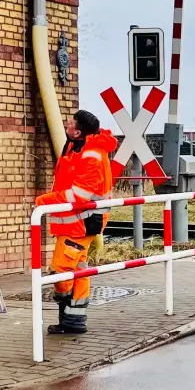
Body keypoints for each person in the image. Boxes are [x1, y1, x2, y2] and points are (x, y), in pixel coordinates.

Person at [35, 110, 118, 334]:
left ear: (78, 131)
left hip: (82, 222)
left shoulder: (91, 154)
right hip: (75, 222)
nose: (67, 125)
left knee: (60, 271)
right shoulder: (77, 147)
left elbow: (78, 195)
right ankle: (73, 321)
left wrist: (43, 201)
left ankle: (66, 310)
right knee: (79, 268)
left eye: (70, 123)